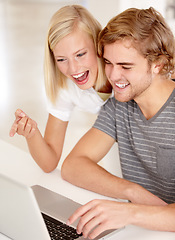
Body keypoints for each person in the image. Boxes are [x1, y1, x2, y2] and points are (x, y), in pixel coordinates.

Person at [61, 7, 175, 239]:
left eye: (125, 66)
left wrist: (129, 212)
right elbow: (73, 166)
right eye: (108, 63)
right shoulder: (119, 107)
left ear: (158, 64)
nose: (112, 76)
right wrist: (132, 191)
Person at [9, 5, 112, 173]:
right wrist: (32, 134)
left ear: (97, 44)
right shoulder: (66, 88)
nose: (73, 69)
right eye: (62, 59)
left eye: (80, 54)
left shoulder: (120, 70)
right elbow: (49, 163)